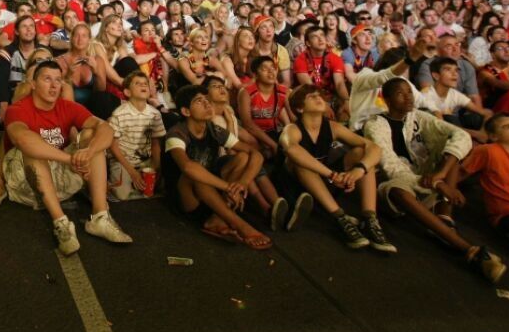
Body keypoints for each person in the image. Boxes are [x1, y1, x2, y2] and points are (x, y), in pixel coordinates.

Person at [363, 78, 507, 282]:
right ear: (386, 99)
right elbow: (391, 166)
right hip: (404, 183)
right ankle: (469, 250)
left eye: (410, 92)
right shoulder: (375, 124)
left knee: (452, 152)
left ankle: (444, 217)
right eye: (400, 93)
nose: (408, 97)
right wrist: (439, 184)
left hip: (430, 179)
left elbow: (460, 136)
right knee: (396, 189)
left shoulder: (419, 117)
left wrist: (440, 174)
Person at [3, 60, 132, 255]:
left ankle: (99, 218)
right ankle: (60, 223)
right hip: (27, 183)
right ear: (34, 84)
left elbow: (106, 129)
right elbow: (22, 139)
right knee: (32, 149)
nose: (54, 86)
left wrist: (87, 153)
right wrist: (70, 159)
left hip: (60, 180)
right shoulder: (18, 109)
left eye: (58, 80)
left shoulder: (67, 106)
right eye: (47, 79)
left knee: (91, 135)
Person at [278, 84, 396, 253]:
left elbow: (374, 148)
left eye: (319, 95)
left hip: (323, 183)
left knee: (361, 152)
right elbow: (291, 149)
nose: (319, 98)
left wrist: (358, 170)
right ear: (299, 108)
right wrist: (332, 175)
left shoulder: (333, 127)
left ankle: (370, 219)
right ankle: (340, 218)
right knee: (302, 162)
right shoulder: (292, 129)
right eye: (311, 97)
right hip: (296, 187)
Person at [161, 84, 272, 248]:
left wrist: (241, 184)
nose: (207, 103)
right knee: (194, 172)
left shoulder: (214, 129)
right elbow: (187, 168)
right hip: (185, 196)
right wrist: (227, 187)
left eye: (207, 99)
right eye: (199, 101)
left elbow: (255, 154)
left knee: (242, 157)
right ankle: (240, 225)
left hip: (212, 193)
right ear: (186, 112)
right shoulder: (177, 133)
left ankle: (217, 219)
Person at [107, 71, 165, 201]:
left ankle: (137, 182)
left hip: (145, 161)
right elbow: (113, 146)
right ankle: (110, 182)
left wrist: (155, 167)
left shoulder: (155, 114)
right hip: (122, 161)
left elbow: (156, 144)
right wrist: (132, 172)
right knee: (123, 195)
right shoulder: (119, 113)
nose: (143, 85)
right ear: (127, 92)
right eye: (137, 83)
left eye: (145, 83)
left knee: (157, 187)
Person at [462, 114, 509, 248]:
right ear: (493, 136)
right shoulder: (488, 150)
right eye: (507, 127)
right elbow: (459, 173)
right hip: (507, 214)